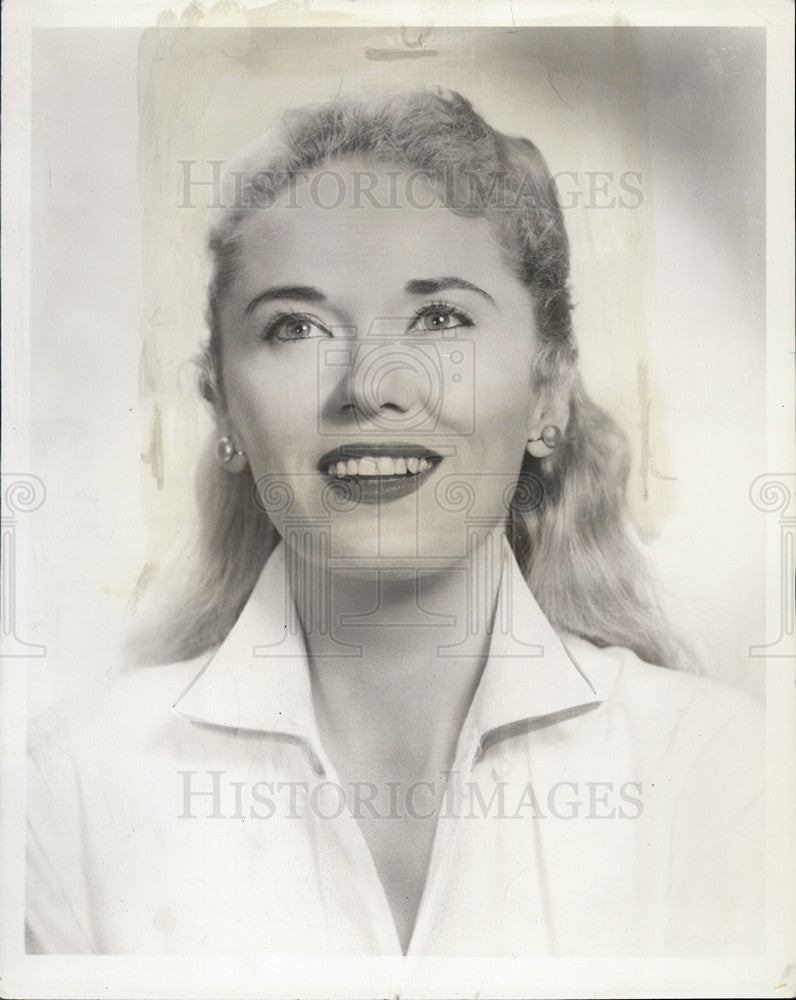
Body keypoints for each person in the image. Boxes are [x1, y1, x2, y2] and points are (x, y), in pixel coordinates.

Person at [26, 88, 764, 956]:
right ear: (222, 403)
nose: (370, 383)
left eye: (440, 319)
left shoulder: (720, 771)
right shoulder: (68, 786)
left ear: (548, 390)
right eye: (295, 326)